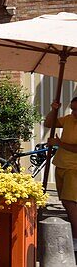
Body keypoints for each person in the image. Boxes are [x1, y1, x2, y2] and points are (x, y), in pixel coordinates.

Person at [45, 96, 77, 250]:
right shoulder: (69, 119)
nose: (74, 112)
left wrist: (59, 144)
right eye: (72, 108)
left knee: (71, 202)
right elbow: (49, 123)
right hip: (61, 164)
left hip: (74, 168)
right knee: (65, 201)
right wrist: (54, 110)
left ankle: (75, 237)